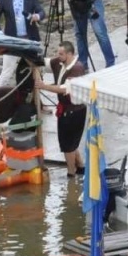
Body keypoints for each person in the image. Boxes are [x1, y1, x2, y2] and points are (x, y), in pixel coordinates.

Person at [42, 41, 88, 175]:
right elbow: (45, 63)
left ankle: (71, 172)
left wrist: (44, 86)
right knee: (70, 142)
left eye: (61, 54)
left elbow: (64, 89)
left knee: (68, 144)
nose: (58, 56)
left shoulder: (77, 69)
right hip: (66, 109)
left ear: (70, 54)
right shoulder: (59, 62)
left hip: (75, 111)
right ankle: (80, 166)